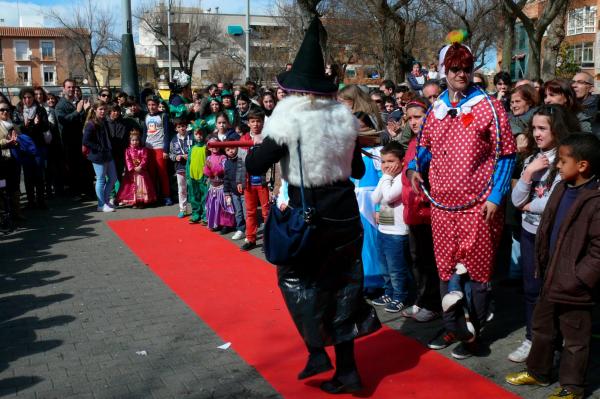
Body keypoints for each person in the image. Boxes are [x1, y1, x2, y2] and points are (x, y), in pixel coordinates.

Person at [245, 17, 381, 394]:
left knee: (296, 281)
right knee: (344, 290)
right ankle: (347, 370)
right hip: (344, 216)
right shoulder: (343, 116)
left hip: (312, 217)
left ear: (293, 89)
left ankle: (316, 349)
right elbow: (355, 168)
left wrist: (265, 149)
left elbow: (257, 164)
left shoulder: (289, 115)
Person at [408, 41, 517, 359]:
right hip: (442, 206)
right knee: (445, 270)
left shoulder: (489, 107)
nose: (461, 74)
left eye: (467, 69)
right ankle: (454, 325)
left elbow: (506, 155)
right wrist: (415, 166)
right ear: (445, 70)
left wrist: (497, 195)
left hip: (479, 206)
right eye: (455, 68)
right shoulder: (437, 106)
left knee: (477, 273)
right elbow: (424, 145)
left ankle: (474, 334)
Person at [505, 134, 600, 399]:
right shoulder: (561, 188)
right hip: (550, 275)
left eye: (563, 160)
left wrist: (579, 279)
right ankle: (538, 371)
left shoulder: (595, 200)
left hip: (576, 287)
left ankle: (572, 387)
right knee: (542, 328)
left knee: (575, 339)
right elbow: (547, 224)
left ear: (582, 165)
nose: (557, 165)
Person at [508, 105, 567, 363]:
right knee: (531, 288)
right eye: (534, 128)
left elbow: (553, 200)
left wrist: (529, 205)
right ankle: (532, 338)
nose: (537, 134)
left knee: (552, 289)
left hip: (553, 235)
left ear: (557, 129)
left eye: (543, 128)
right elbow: (516, 197)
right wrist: (530, 173)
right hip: (529, 231)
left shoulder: (564, 158)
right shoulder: (532, 159)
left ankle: (553, 341)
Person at [399, 98, 441, 322]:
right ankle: (422, 299)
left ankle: (433, 304)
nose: (414, 122)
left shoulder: (433, 141)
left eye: (419, 117)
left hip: (428, 212)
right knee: (417, 259)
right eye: (411, 118)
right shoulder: (415, 141)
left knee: (429, 261)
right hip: (413, 212)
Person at [371, 141, 411, 313]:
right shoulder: (386, 177)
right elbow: (375, 198)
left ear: (402, 162)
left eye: (390, 161)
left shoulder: (402, 178)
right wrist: (384, 177)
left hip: (398, 232)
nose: (386, 165)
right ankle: (389, 291)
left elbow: (388, 196)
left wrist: (386, 177)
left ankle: (401, 296)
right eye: (384, 161)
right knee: (385, 267)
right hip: (385, 228)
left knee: (396, 269)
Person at [239, 108, 271, 251]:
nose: (256, 124)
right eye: (253, 121)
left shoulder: (268, 138)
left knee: (267, 212)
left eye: (258, 121)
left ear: (263, 122)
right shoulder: (244, 139)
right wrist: (239, 180)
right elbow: (239, 162)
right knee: (250, 211)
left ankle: (268, 240)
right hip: (248, 182)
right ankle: (250, 238)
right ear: (248, 123)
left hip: (264, 182)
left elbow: (272, 162)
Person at [13, 87, 49, 209]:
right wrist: (25, 125)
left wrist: (38, 124)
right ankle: (31, 201)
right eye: (25, 98)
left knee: (39, 174)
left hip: (38, 145)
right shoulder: (18, 110)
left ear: (33, 98)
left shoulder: (40, 109)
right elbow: (15, 128)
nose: (27, 100)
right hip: (25, 148)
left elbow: (46, 127)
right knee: (28, 176)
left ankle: (41, 200)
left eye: (29, 97)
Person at [55, 79, 92, 197]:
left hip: (79, 139)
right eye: (69, 87)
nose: (71, 89)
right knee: (72, 167)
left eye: (73, 87)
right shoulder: (60, 105)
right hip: (68, 141)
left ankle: (84, 191)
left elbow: (79, 120)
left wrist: (84, 111)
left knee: (82, 166)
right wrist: (77, 111)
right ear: (64, 89)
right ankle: (75, 192)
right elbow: (63, 121)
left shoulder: (76, 102)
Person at [82, 101, 117, 213]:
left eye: (104, 109)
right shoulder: (91, 124)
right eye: (100, 109)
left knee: (113, 178)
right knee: (101, 179)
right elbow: (86, 141)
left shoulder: (104, 121)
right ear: (95, 110)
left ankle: (105, 201)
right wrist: (99, 147)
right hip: (98, 156)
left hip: (108, 154)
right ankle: (101, 204)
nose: (103, 111)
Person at [143, 95, 172, 205]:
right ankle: (153, 196)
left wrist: (166, 150)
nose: (151, 107)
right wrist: (142, 148)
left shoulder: (163, 116)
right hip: (148, 148)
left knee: (162, 173)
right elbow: (144, 133)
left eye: (153, 105)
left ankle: (166, 196)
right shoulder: (146, 116)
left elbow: (167, 133)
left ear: (157, 105)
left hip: (160, 147)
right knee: (151, 174)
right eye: (149, 105)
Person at [116, 129, 156, 207]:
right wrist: (132, 168)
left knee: (141, 186)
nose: (135, 142)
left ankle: (141, 201)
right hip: (132, 172)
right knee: (132, 186)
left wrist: (140, 166)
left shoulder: (143, 150)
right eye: (133, 140)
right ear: (130, 141)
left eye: (137, 140)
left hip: (141, 171)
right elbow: (128, 159)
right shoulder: (127, 150)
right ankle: (134, 201)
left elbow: (145, 158)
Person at [203, 136, 235, 232]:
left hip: (222, 186)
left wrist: (212, 166)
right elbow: (207, 173)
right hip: (213, 186)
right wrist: (207, 168)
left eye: (216, 144)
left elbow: (223, 170)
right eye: (212, 145)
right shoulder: (208, 157)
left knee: (224, 206)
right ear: (208, 147)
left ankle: (226, 225)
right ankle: (216, 223)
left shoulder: (223, 157)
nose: (214, 147)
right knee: (214, 205)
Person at [0, 104, 22, 221]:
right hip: (2, 164)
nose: (4, 112)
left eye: (7, 110)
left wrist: (17, 142)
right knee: (2, 188)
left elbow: (21, 140)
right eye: (2, 110)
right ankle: (4, 216)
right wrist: (6, 141)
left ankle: (16, 213)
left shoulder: (14, 125)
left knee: (14, 188)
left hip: (14, 162)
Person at [169, 119, 193, 218]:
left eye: (183, 126)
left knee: (193, 188)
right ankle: (183, 209)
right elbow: (171, 154)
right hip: (180, 167)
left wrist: (191, 156)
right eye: (179, 127)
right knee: (181, 188)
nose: (181, 128)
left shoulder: (191, 137)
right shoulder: (173, 140)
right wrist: (176, 157)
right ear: (176, 129)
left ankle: (196, 209)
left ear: (186, 126)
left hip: (191, 166)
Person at [186, 122, 208, 224]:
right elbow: (188, 163)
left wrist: (207, 176)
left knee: (204, 196)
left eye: (200, 134)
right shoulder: (192, 149)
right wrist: (187, 176)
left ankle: (205, 215)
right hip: (193, 176)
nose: (198, 136)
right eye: (196, 134)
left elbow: (209, 162)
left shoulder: (206, 148)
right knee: (194, 196)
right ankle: (196, 213)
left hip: (203, 177)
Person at [223, 142, 246, 240]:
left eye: (232, 148)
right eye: (228, 150)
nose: (231, 151)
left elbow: (245, 174)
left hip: (244, 191)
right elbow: (226, 179)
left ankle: (249, 230)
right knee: (238, 212)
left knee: (246, 212)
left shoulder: (241, 160)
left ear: (237, 148)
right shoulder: (227, 163)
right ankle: (240, 229)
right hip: (233, 192)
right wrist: (226, 193)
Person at [106, 104, 129, 197]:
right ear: (110, 112)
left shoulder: (124, 123)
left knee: (119, 174)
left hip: (120, 152)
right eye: (114, 111)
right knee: (110, 176)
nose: (116, 113)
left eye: (118, 111)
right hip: (109, 153)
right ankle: (111, 195)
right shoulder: (105, 123)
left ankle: (120, 195)